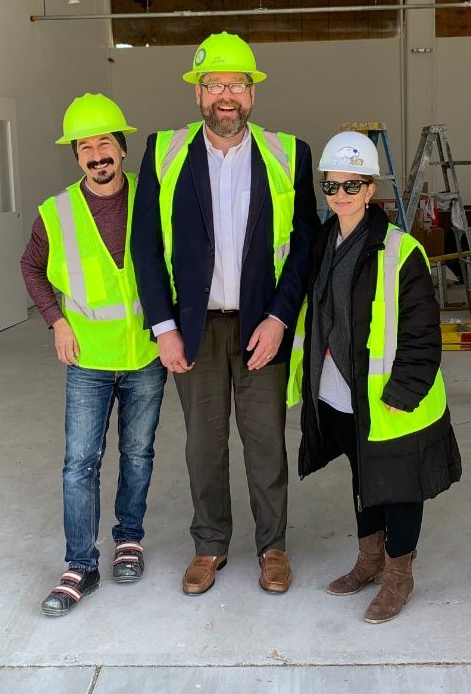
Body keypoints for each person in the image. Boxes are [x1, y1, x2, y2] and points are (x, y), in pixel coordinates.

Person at [132, 32, 319, 597]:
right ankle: (209, 544)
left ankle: (273, 547)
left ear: (252, 93)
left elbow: (306, 243)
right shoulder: (164, 151)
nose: (225, 96)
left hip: (261, 325)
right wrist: (164, 327)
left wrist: (280, 318)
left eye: (236, 84)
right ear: (198, 95)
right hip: (195, 330)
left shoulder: (289, 153)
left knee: (265, 443)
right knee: (202, 444)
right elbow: (144, 244)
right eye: (214, 84)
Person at [287, 131, 462, 624]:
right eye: (331, 186)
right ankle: (368, 560)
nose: (339, 196)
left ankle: (398, 577)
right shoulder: (323, 241)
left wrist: (403, 393)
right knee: (364, 477)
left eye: (351, 186)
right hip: (341, 393)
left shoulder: (400, 250)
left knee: (399, 486)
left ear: (370, 190)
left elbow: (423, 333)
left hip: (392, 398)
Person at [20, 93, 167, 616]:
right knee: (79, 464)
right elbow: (31, 268)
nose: (97, 154)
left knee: (138, 454)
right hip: (86, 360)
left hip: (145, 355)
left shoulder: (153, 201)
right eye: (86, 146)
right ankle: (80, 564)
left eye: (106, 142)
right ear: (77, 156)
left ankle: (129, 539)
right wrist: (56, 321)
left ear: (123, 150)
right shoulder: (55, 212)